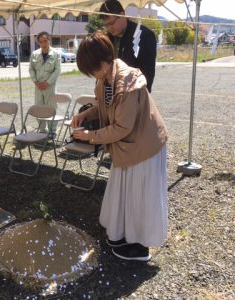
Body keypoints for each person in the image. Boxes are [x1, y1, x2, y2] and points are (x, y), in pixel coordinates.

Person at [72, 30, 168, 261]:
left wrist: (90, 136)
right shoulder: (106, 76)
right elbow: (105, 105)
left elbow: (121, 127)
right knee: (125, 192)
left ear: (106, 59)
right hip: (128, 146)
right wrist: (87, 114)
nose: (93, 74)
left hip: (144, 145)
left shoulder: (126, 82)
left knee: (140, 196)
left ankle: (140, 247)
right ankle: (123, 234)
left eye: (94, 69)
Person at [100, 0, 157, 92]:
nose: (109, 28)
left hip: (135, 95)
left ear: (122, 15)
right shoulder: (107, 39)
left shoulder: (143, 35)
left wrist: (138, 98)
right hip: (112, 95)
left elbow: (147, 74)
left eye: (111, 23)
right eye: (106, 25)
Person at [29, 32, 61, 134]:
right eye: (41, 42)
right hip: (38, 86)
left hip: (50, 86)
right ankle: (42, 130)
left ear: (49, 40)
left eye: (45, 41)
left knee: (51, 107)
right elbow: (31, 69)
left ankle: (52, 131)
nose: (43, 44)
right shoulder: (35, 54)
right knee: (39, 107)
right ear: (39, 43)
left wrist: (47, 82)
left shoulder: (56, 54)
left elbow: (57, 70)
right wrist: (35, 81)